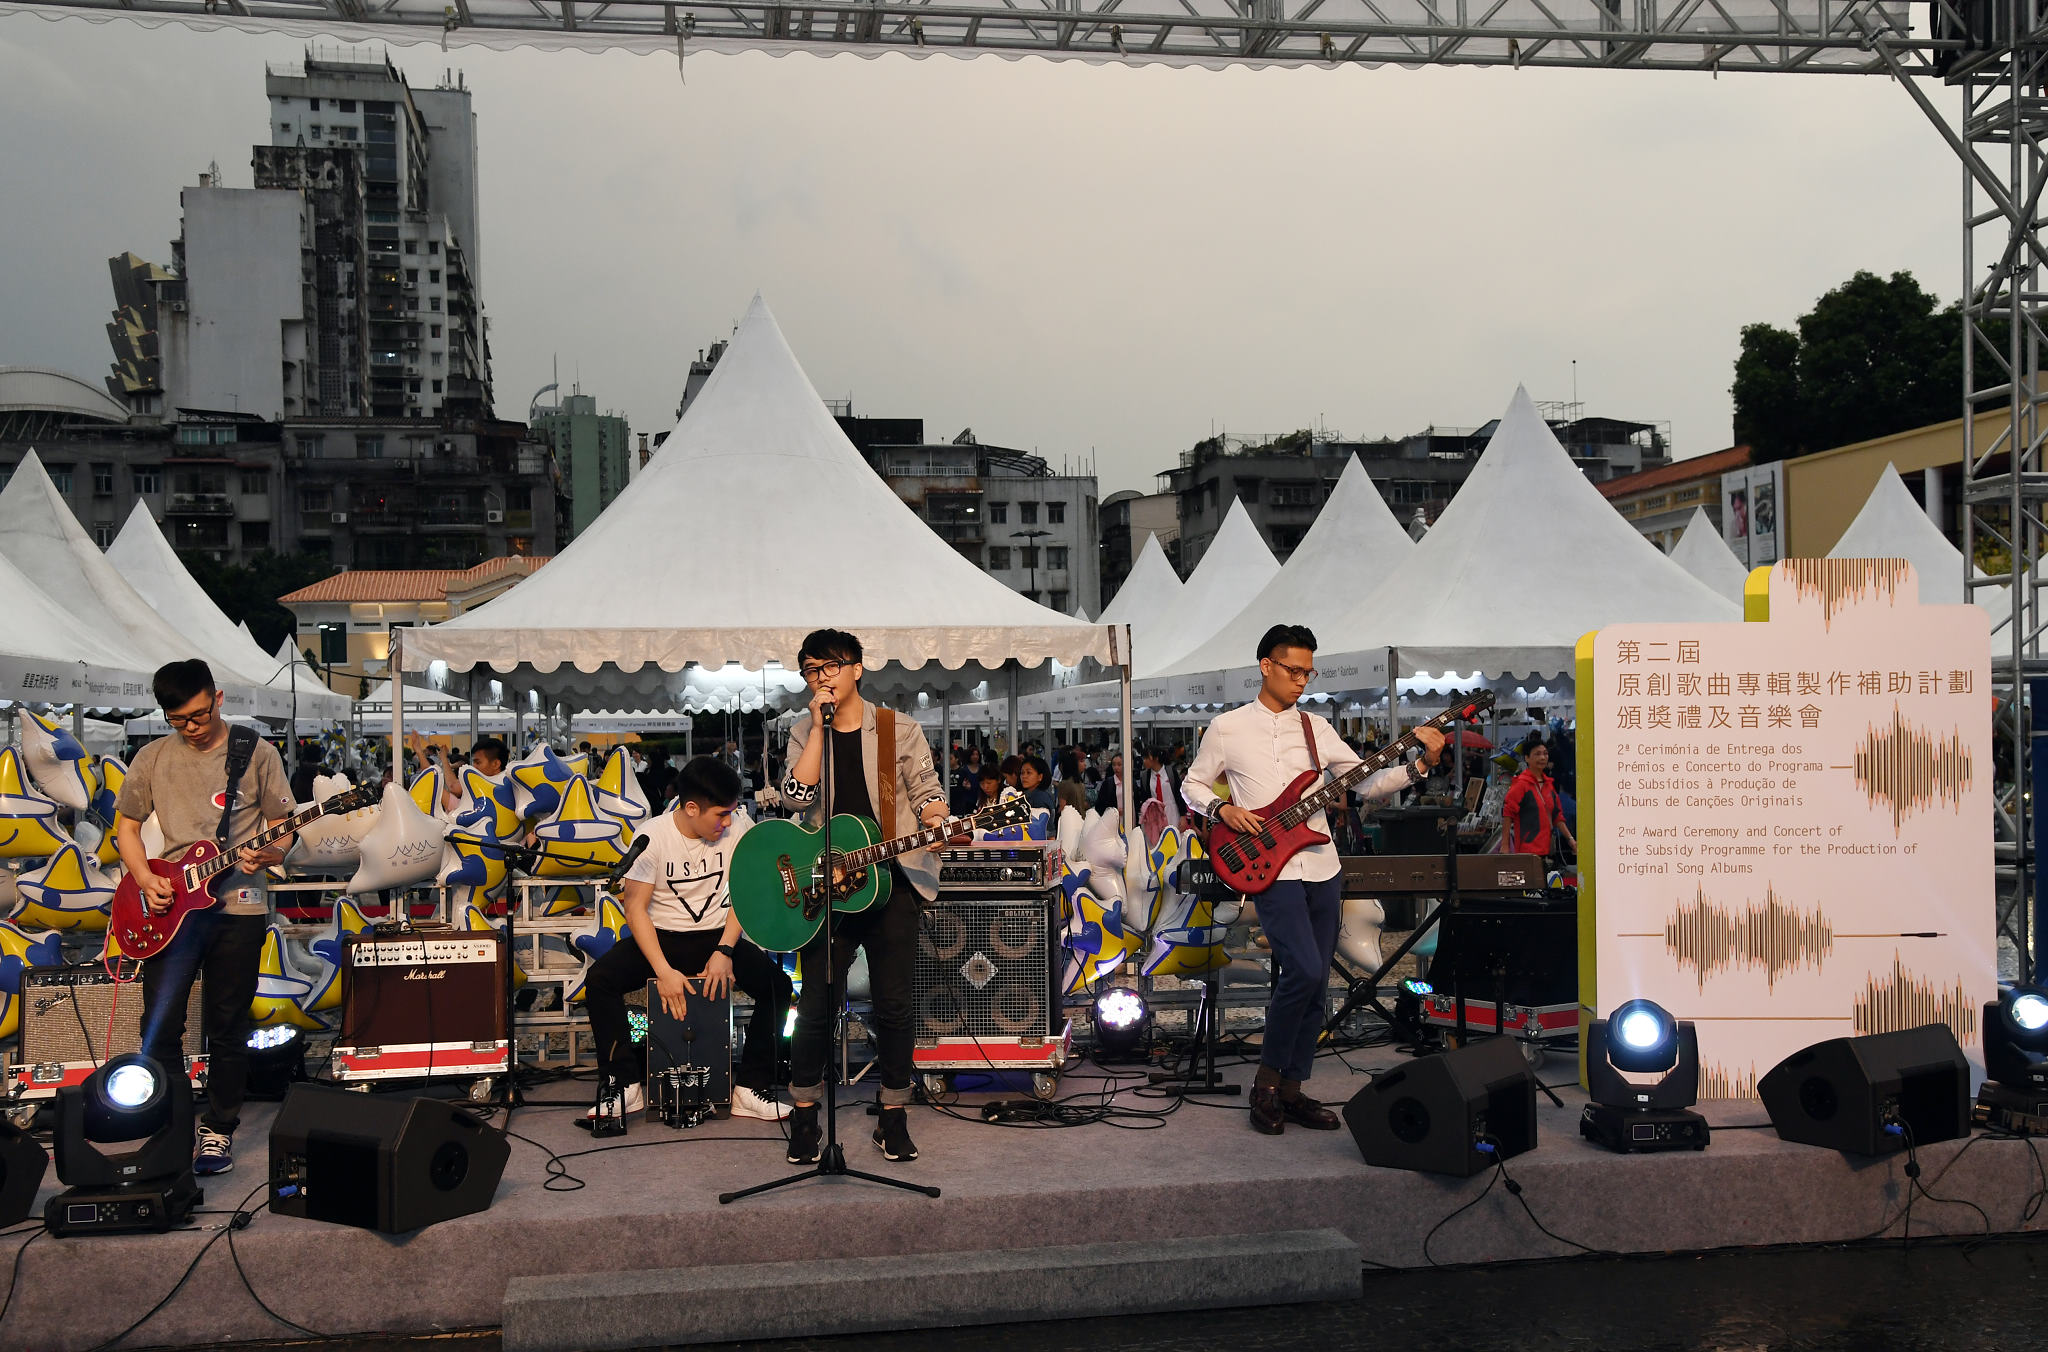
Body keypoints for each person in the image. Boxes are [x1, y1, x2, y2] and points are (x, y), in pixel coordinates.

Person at [1181, 625, 1444, 1137]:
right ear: (1266, 666)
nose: (1302, 680)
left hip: (1323, 866)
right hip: (1269, 869)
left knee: (1317, 980)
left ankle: (1291, 1090)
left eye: (1309, 672)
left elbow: (1368, 783)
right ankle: (1266, 1084)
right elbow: (1192, 784)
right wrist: (1222, 809)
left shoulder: (1317, 729)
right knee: (1302, 970)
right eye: (1294, 670)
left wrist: (1420, 766)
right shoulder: (1227, 728)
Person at [114, 659, 297, 1177]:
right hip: (171, 906)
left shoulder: (255, 752)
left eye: (198, 715)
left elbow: (283, 824)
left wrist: (274, 853)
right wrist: (144, 878)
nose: (191, 728)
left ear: (217, 698)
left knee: (228, 1025)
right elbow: (126, 828)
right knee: (160, 1026)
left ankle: (218, 1129)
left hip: (239, 906)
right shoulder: (152, 757)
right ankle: (173, 1125)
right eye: (177, 720)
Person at [778, 629, 951, 1165]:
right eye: (811, 669)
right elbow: (795, 798)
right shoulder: (803, 730)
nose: (821, 677)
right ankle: (805, 1116)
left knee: (894, 1005)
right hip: (825, 887)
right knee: (815, 1005)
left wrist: (936, 820)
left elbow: (928, 793)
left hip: (890, 879)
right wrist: (817, 730)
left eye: (831, 666)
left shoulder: (898, 729)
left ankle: (893, 1116)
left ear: (857, 668)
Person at [581, 756, 791, 1125]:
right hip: (662, 937)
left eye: (731, 813)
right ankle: (624, 1084)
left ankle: (750, 1087)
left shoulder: (739, 828)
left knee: (778, 986)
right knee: (599, 981)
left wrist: (725, 950)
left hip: (716, 936)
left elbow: (744, 896)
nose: (728, 823)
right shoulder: (652, 836)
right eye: (720, 815)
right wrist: (663, 971)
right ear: (691, 808)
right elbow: (635, 910)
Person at [1503, 738, 1576, 861]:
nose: (1542, 757)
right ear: (1527, 758)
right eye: (1537, 754)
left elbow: (1557, 816)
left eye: (1545, 753)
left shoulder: (1549, 784)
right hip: (1527, 852)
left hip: (1547, 850)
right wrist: (1505, 846)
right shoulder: (1521, 784)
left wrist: (1571, 840)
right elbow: (1507, 814)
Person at [1142, 746, 1184, 827]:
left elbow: (1179, 794)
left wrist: (1183, 815)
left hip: (1171, 812)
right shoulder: (1145, 776)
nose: (1144, 761)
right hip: (1155, 815)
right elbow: (1145, 799)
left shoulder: (1171, 773)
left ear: (1156, 758)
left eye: (1147, 758)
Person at [1054, 750, 1089, 817]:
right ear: (1074, 764)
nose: (1085, 764)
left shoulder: (1064, 784)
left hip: (1070, 820)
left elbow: (1062, 808)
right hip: (1081, 819)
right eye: (1082, 761)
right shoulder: (1080, 783)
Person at [1094, 752, 1125, 817]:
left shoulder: (1131, 781)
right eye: (1114, 765)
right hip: (1113, 819)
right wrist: (1114, 811)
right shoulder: (1107, 783)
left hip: (1130, 818)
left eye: (1119, 764)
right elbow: (1099, 805)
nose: (1116, 767)